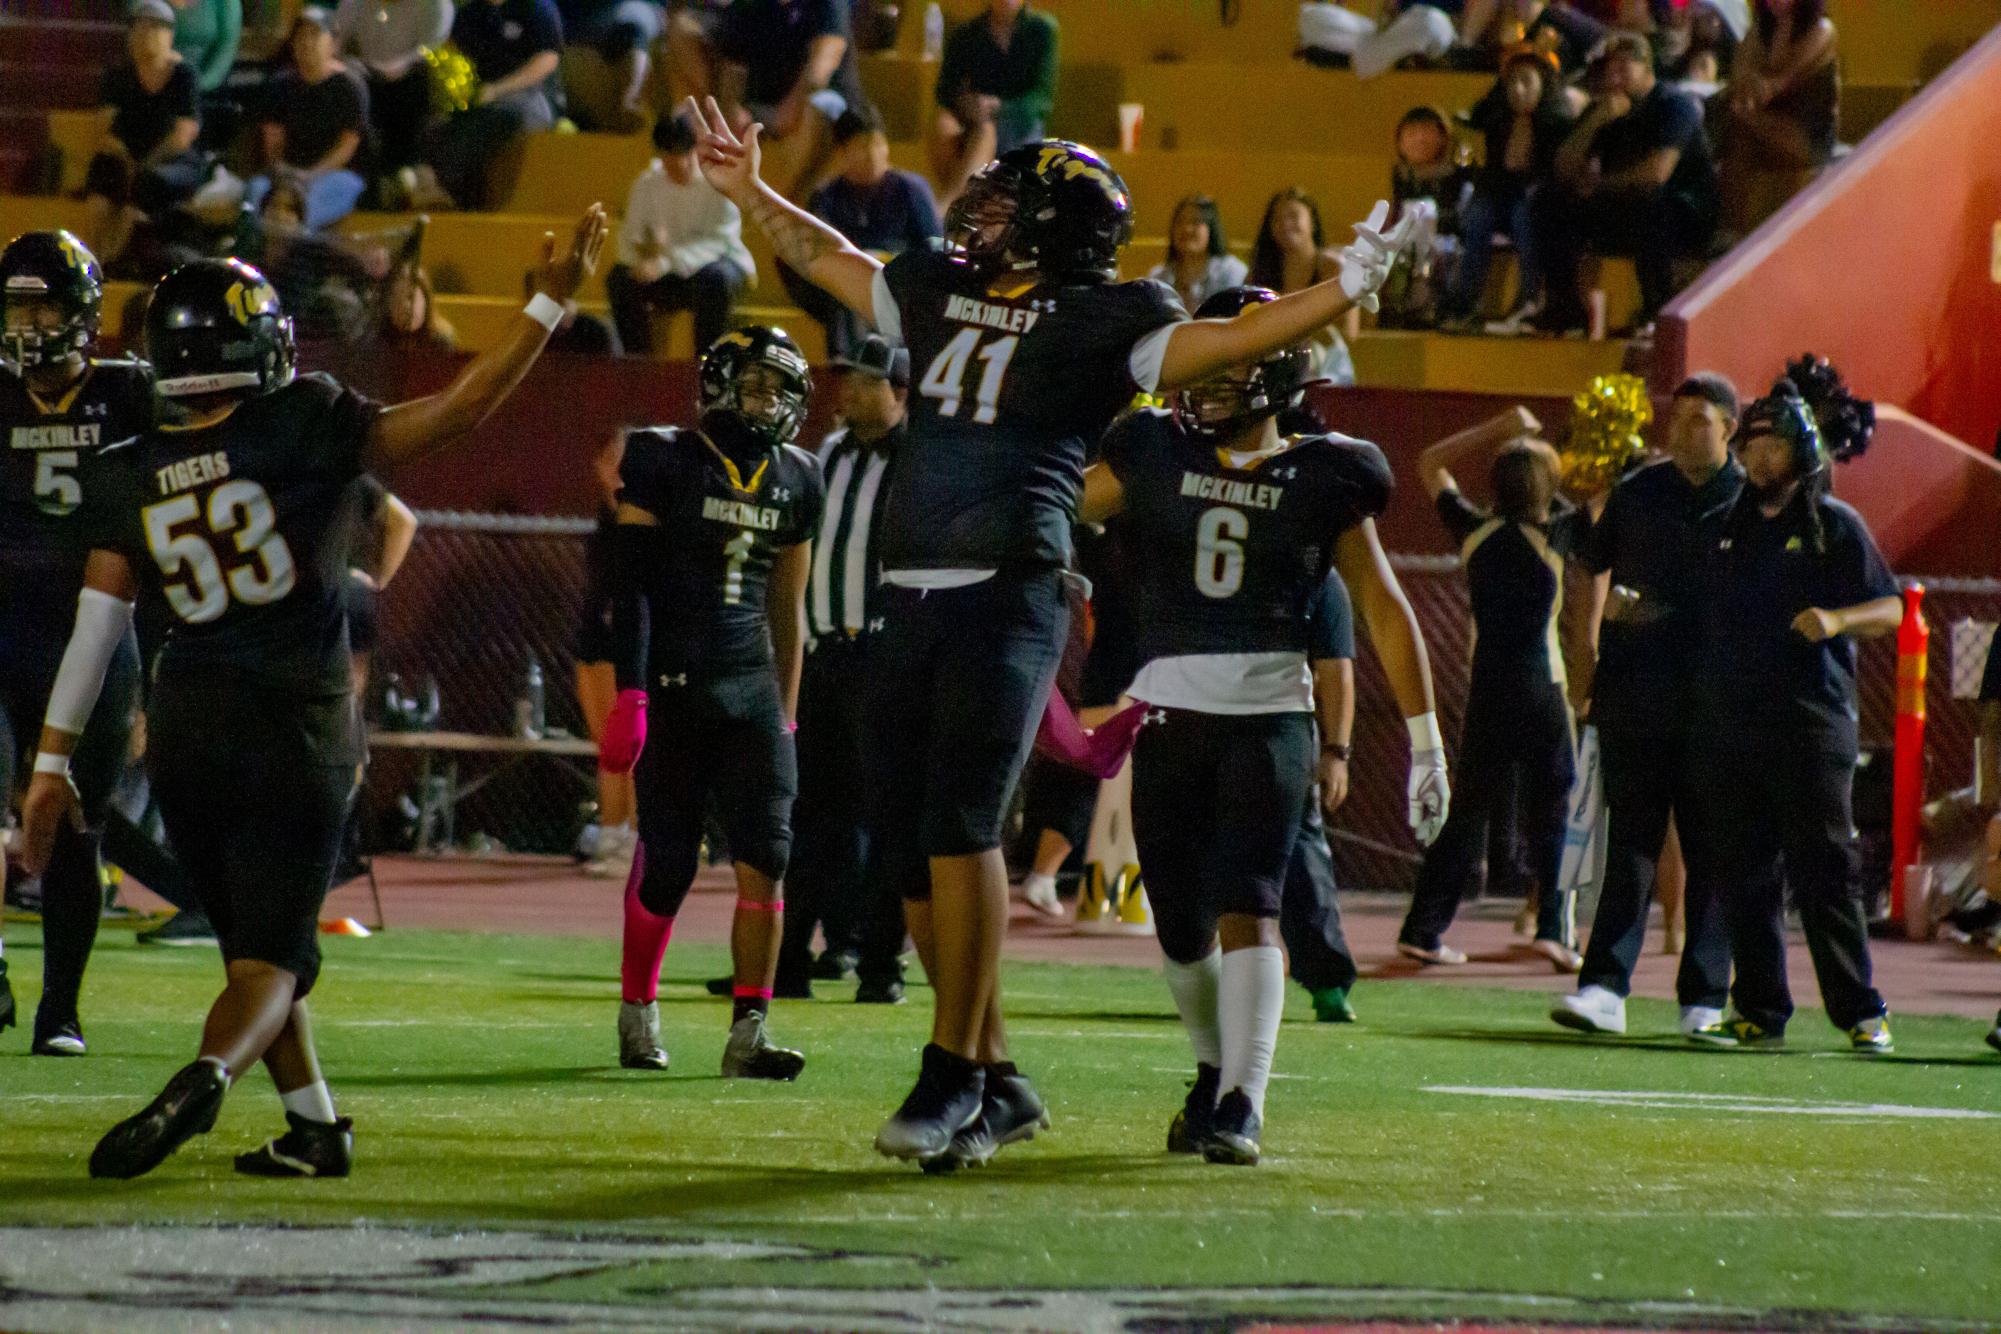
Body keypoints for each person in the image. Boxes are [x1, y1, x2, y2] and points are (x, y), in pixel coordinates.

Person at [685, 97, 1420, 1171]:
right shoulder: (939, 287)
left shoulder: (1108, 315)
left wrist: (1342, 288)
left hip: (1011, 583)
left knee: (961, 823)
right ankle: (994, 1072)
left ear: (1049, 228)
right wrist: (748, 191)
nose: (976, 216)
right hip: (908, 589)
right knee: (902, 853)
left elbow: (1227, 338)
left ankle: (951, 1072)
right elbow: (832, 257)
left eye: (1003, 204)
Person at [18, 206, 610, 1180]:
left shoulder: (126, 469)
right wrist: (548, 301)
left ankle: (313, 1126)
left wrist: (49, 764)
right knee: (270, 958)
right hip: (296, 721)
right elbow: (461, 407)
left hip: (187, 728)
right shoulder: (305, 421)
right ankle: (207, 1076)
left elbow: (98, 625)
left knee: (254, 942)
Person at [1080, 284, 1442, 1165]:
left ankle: (1245, 1097)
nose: (1204, 378)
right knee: (1178, 928)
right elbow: (1052, 507)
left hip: (1269, 718)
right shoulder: (1151, 450)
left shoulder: (1326, 473)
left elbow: (1384, 609)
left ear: (1276, 374)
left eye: (1230, 360)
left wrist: (1426, 738)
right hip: (1165, 715)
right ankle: (1211, 1070)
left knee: (1251, 905)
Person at [597, 326, 825, 1079]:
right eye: (756, 383)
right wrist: (630, 689)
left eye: (780, 388)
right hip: (675, 681)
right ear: (719, 383)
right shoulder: (662, 455)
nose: (768, 401)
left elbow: (789, 607)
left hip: (750, 687)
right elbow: (627, 589)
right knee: (669, 865)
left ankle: (748, 1033)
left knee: (768, 856)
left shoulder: (800, 474)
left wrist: (786, 714)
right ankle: (638, 1009)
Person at [1682, 378, 1899, 1053]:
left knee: (1823, 869)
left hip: (1810, 724)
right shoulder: (1725, 528)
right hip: (1735, 723)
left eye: (1769, 441)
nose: (1754, 455)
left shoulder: (1835, 526)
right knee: (1744, 870)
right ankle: (1757, 1009)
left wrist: (1835, 618)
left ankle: (1860, 1012)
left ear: (1799, 451)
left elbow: (1887, 608)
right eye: (1749, 442)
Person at [1550, 373, 1741, 1038]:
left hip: (1717, 703)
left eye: (1700, 419)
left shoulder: (1748, 503)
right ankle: (1603, 986)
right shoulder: (1639, 493)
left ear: (1729, 429)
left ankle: (1705, 995)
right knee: (1629, 841)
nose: (1684, 430)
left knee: (1710, 849)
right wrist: (1585, 659)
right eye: (1678, 416)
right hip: (1636, 692)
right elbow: (1591, 572)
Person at [0, 231, 153, 1056]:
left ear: (83, 313)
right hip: (4, 627)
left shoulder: (133, 395)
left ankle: (61, 1007)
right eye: (17, 304)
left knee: (76, 831)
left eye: (44, 304)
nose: (28, 323)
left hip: (96, 638)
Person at [1397, 408, 1584, 971]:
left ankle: (1423, 929)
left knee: (1467, 812)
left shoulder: (1473, 531)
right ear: (1548, 488)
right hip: (1542, 689)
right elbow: (1604, 504)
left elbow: (1430, 462)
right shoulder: (1555, 533)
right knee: (1555, 807)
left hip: (1488, 691)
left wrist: (1496, 428)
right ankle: (1554, 929)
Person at [774, 334, 909, 997]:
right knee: (806, 813)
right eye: (849, 378)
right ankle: (788, 958)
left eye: (867, 381)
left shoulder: (917, 461)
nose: (850, 390)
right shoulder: (827, 453)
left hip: (883, 656)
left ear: (901, 394)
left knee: (886, 818)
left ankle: (880, 963)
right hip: (824, 652)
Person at [1533, 31, 1718, 336]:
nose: (1615, 76)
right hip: (1622, 203)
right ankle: (1564, 306)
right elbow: (1563, 167)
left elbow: (1657, 173)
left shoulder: (1675, 105)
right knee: (1549, 200)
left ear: (1647, 68)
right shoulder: (1607, 109)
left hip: (1684, 210)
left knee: (1650, 203)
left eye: (1624, 67)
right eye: (1610, 69)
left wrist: (1600, 185)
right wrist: (1594, 123)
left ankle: (1656, 308)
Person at [785, 108, 941, 359]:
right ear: (842, 153)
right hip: (846, 293)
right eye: (861, 146)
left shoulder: (910, 190)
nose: (872, 155)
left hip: (901, 289)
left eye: (877, 144)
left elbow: (934, 251)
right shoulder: (827, 198)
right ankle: (846, 364)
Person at [1440, 45, 1573, 331]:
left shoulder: (1558, 123)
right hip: (1498, 194)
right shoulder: (1495, 118)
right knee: (1478, 215)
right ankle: (1464, 303)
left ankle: (1530, 299)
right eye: (1512, 82)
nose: (1518, 89)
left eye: (1526, 81)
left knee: (1525, 215)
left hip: (1540, 201)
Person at [1284, 567, 1364, 1024]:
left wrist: (1337, 751)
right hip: (1275, 724)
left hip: (1275, 720)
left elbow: (1336, 668)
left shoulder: (1319, 576)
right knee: (1300, 853)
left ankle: (1328, 980)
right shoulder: (1318, 571)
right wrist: (1335, 751)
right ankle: (1327, 979)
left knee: (1300, 851)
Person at [607, 114, 755, 358]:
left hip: (710, 270)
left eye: (681, 154)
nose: (676, 163)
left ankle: (706, 362)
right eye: (668, 155)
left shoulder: (717, 183)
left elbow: (719, 242)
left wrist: (666, 261)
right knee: (620, 280)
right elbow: (629, 235)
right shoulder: (647, 184)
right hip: (665, 273)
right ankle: (638, 360)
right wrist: (638, 262)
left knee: (716, 280)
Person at [694, 0, 867, 200]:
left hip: (827, 103)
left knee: (816, 107)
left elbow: (823, 63)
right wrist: (733, 109)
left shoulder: (829, 5)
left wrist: (790, 109)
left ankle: (786, 202)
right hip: (764, 105)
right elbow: (733, 64)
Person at [82, 2, 207, 272]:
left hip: (168, 161)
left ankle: (113, 263)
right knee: (101, 179)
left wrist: (145, 164)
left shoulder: (184, 76)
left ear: (170, 35)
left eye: (153, 29)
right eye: (138, 29)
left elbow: (182, 135)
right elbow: (103, 130)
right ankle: (92, 261)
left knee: (144, 186)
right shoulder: (117, 75)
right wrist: (126, 159)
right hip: (125, 155)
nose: (144, 36)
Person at [421, 0, 563, 210]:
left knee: (506, 118)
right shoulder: (470, 14)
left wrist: (498, 89)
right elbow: (452, 55)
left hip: (529, 96)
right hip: (479, 100)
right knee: (436, 127)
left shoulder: (537, 7)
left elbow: (548, 58)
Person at [1714, 0, 1838, 235]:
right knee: (1739, 143)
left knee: (1737, 122)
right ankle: (1733, 233)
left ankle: (1730, 231)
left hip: (1808, 133)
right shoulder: (1761, 30)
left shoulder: (1821, 29)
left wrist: (1753, 90)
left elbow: (1782, 80)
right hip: (1762, 127)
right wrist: (1747, 86)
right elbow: (1740, 72)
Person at [575, 434, 638, 877]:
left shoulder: (639, 518)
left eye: (614, 455)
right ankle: (612, 831)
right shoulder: (604, 516)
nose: (603, 461)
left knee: (628, 745)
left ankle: (635, 839)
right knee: (606, 746)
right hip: (594, 633)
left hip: (624, 638)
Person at [927, 0, 1060, 207]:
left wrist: (998, 107)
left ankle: (953, 206)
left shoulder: (1041, 30)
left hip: (1021, 123)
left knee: (985, 132)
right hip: (974, 121)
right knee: (945, 127)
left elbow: (1040, 99)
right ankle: (963, 205)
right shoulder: (967, 34)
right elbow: (946, 92)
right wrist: (968, 104)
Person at [250, 8, 372, 233]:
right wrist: (284, 173)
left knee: (310, 202)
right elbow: (273, 142)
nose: (307, 42)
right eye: (301, 36)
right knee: (256, 191)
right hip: (287, 175)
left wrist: (310, 175)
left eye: (315, 35)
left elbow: (347, 146)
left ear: (333, 44)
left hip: (335, 175)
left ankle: (297, 248)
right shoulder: (281, 85)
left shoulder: (350, 88)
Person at [331, 0, 453, 188]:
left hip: (412, 77)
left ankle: (404, 174)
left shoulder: (435, 5)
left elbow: (433, 47)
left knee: (414, 89)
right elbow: (336, 42)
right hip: (365, 73)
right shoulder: (353, 4)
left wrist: (401, 64)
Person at [1248, 190, 1356, 385]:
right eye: (1277, 219)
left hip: (1327, 366)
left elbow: (1348, 332)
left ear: (1312, 222)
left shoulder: (1334, 268)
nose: (1285, 224)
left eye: (1293, 216)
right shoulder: (1261, 272)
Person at [556, 0, 667, 132]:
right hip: (583, 20)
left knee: (635, 21)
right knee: (633, 18)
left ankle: (631, 98)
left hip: (639, 17)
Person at [1148, 195, 1248, 317]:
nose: (1186, 229)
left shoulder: (1231, 271)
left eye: (1195, 222)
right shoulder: (1158, 276)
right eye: (1180, 221)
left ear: (1211, 228)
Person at [377, 263, 459, 350]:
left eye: (411, 297)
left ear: (426, 301)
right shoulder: (376, 342)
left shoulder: (441, 342)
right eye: (398, 299)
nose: (406, 306)